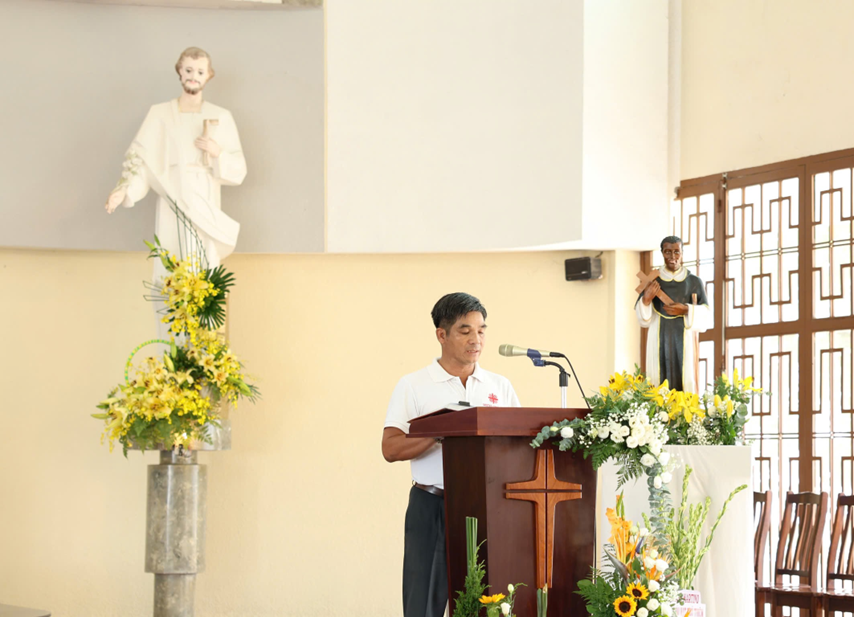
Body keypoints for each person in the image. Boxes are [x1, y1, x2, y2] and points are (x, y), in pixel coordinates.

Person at [382, 293, 521, 617]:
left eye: (482, 330)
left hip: (490, 506)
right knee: (423, 604)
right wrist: (440, 431)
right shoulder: (414, 384)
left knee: (490, 601)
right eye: (465, 330)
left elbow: (519, 444)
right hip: (433, 505)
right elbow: (391, 447)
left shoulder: (499, 386)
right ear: (441, 334)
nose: (476, 339)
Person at [105, 47, 246, 275]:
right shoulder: (159, 114)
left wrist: (217, 152)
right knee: (171, 259)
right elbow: (142, 162)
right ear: (180, 71)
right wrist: (124, 190)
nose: (193, 76)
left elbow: (239, 168)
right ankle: (172, 299)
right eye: (188, 70)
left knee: (203, 260)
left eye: (200, 72)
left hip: (205, 194)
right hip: (172, 192)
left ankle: (202, 299)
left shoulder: (220, 116)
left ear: (208, 76)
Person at [636, 236, 712, 392]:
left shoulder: (693, 282)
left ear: (682, 253)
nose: (672, 257)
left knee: (686, 379)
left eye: (677, 252)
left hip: (685, 337)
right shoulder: (653, 281)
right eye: (668, 252)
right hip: (658, 334)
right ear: (662, 253)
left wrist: (686, 309)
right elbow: (643, 319)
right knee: (657, 380)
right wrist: (646, 299)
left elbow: (706, 315)